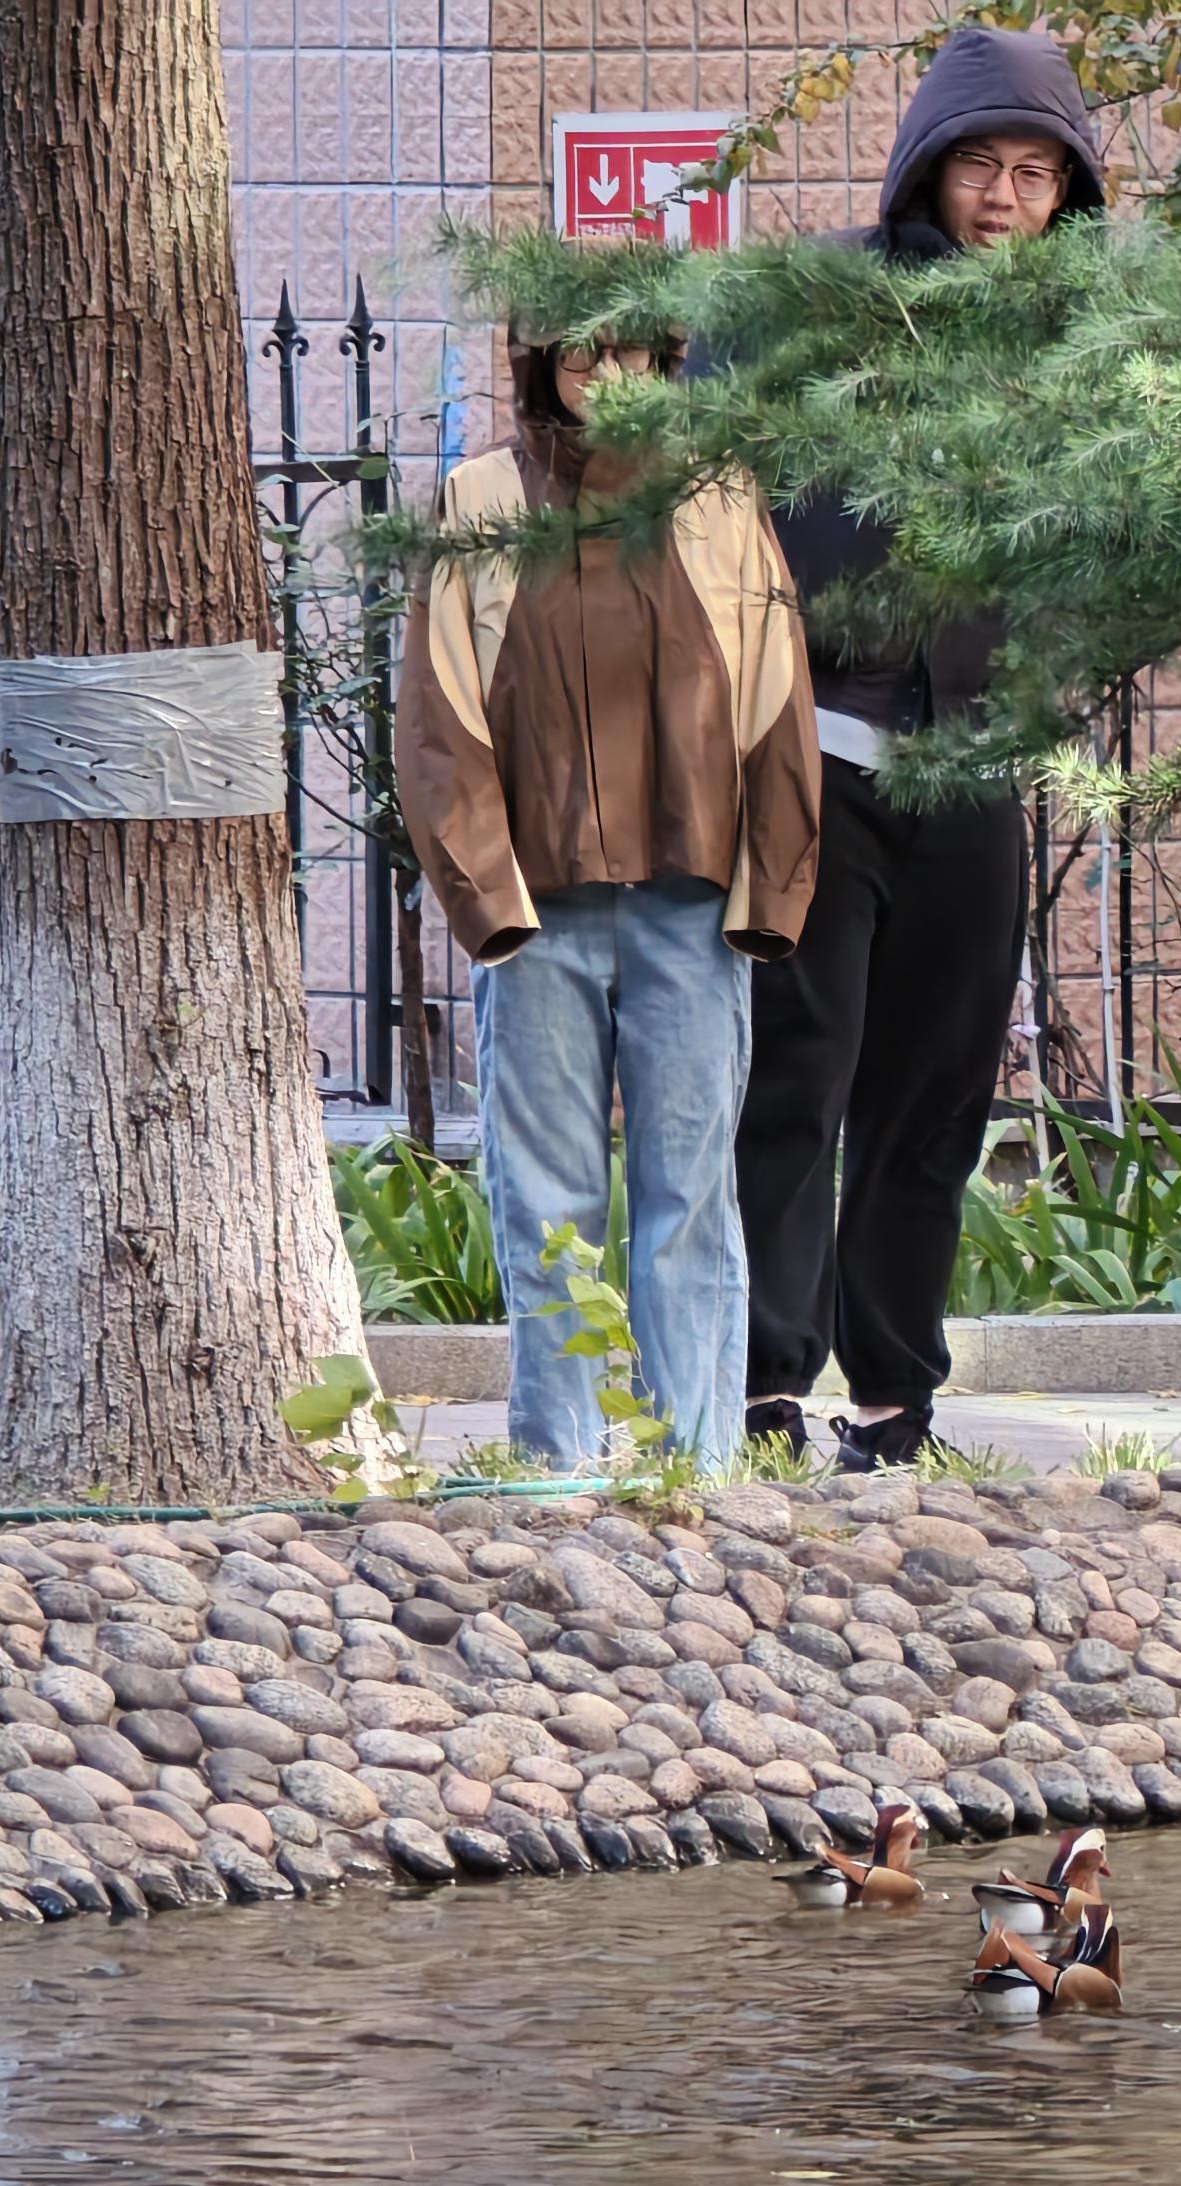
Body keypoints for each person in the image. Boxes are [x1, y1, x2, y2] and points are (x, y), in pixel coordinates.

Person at [738, 27, 1107, 1471]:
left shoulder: (1079, 349)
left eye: (1037, 174)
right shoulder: (821, 307)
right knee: (793, 1081)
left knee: (936, 1096)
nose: (1005, 199)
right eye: (980, 165)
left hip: (972, 777)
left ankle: (896, 1404)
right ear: (925, 169)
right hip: (815, 761)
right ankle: (762, 1391)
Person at [400, 329, 819, 1470]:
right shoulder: (481, 500)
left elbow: (776, 694)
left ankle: (698, 1463)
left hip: (693, 908)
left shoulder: (718, 496)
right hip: (537, 916)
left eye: (632, 349)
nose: (608, 373)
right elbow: (439, 714)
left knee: (691, 1195)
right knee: (548, 1201)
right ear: (539, 359)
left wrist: (772, 884)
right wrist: (487, 899)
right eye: (582, 351)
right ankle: (562, 1464)